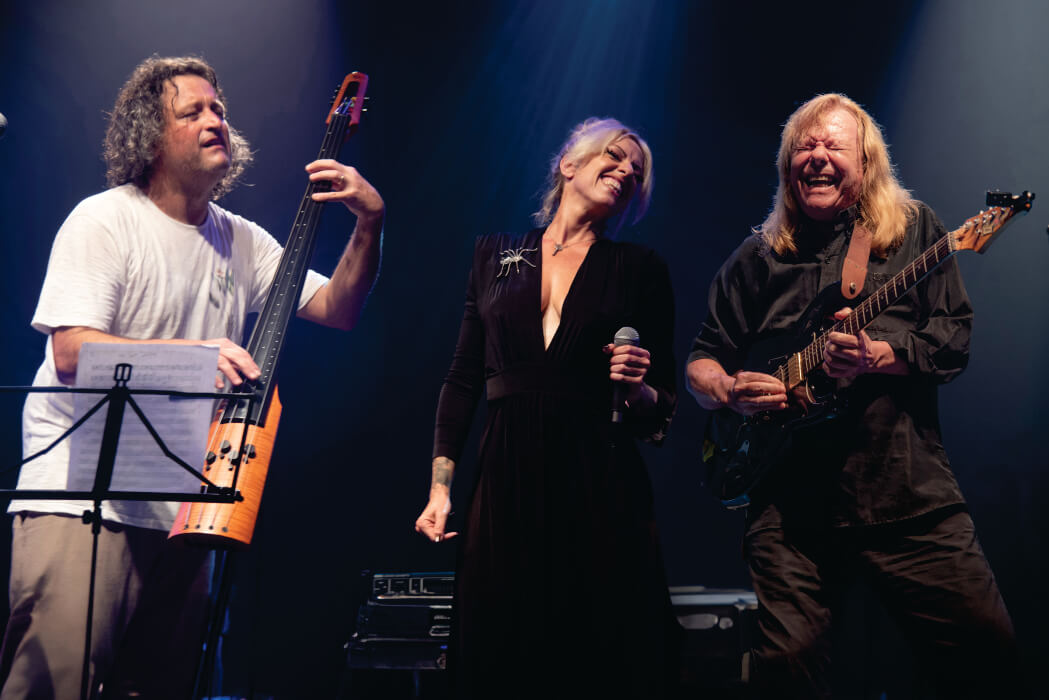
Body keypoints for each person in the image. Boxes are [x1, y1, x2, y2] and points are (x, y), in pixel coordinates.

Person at [0, 56, 383, 699]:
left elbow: (339, 308)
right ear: (150, 135)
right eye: (194, 112)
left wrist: (371, 225)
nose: (216, 121)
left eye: (220, 110)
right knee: (55, 686)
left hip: (184, 513)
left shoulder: (243, 240)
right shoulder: (104, 219)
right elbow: (71, 355)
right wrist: (196, 354)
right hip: (82, 502)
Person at [686, 93, 1018, 697]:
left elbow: (953, 338)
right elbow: (702, 358)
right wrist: (728, 389)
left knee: (985, 653)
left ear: (865, 163)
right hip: (790, 507)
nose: (816, 157)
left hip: (905, 494)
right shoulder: (759, 256)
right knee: (785, 670)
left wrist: (879, 357)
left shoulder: (916, 230)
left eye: (831, 146)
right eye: (803, 148)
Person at [415, 118, 679, 699]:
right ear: (568, 164)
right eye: (613, 157)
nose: (625, 172)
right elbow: (462, 377)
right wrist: (442, 487)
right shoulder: (494, 255)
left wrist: (637, 388)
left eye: (636, 173)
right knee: (500, 639)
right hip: (505, 472)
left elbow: (663, 404)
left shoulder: (640, 269)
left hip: (597, 473)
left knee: (594, 643)